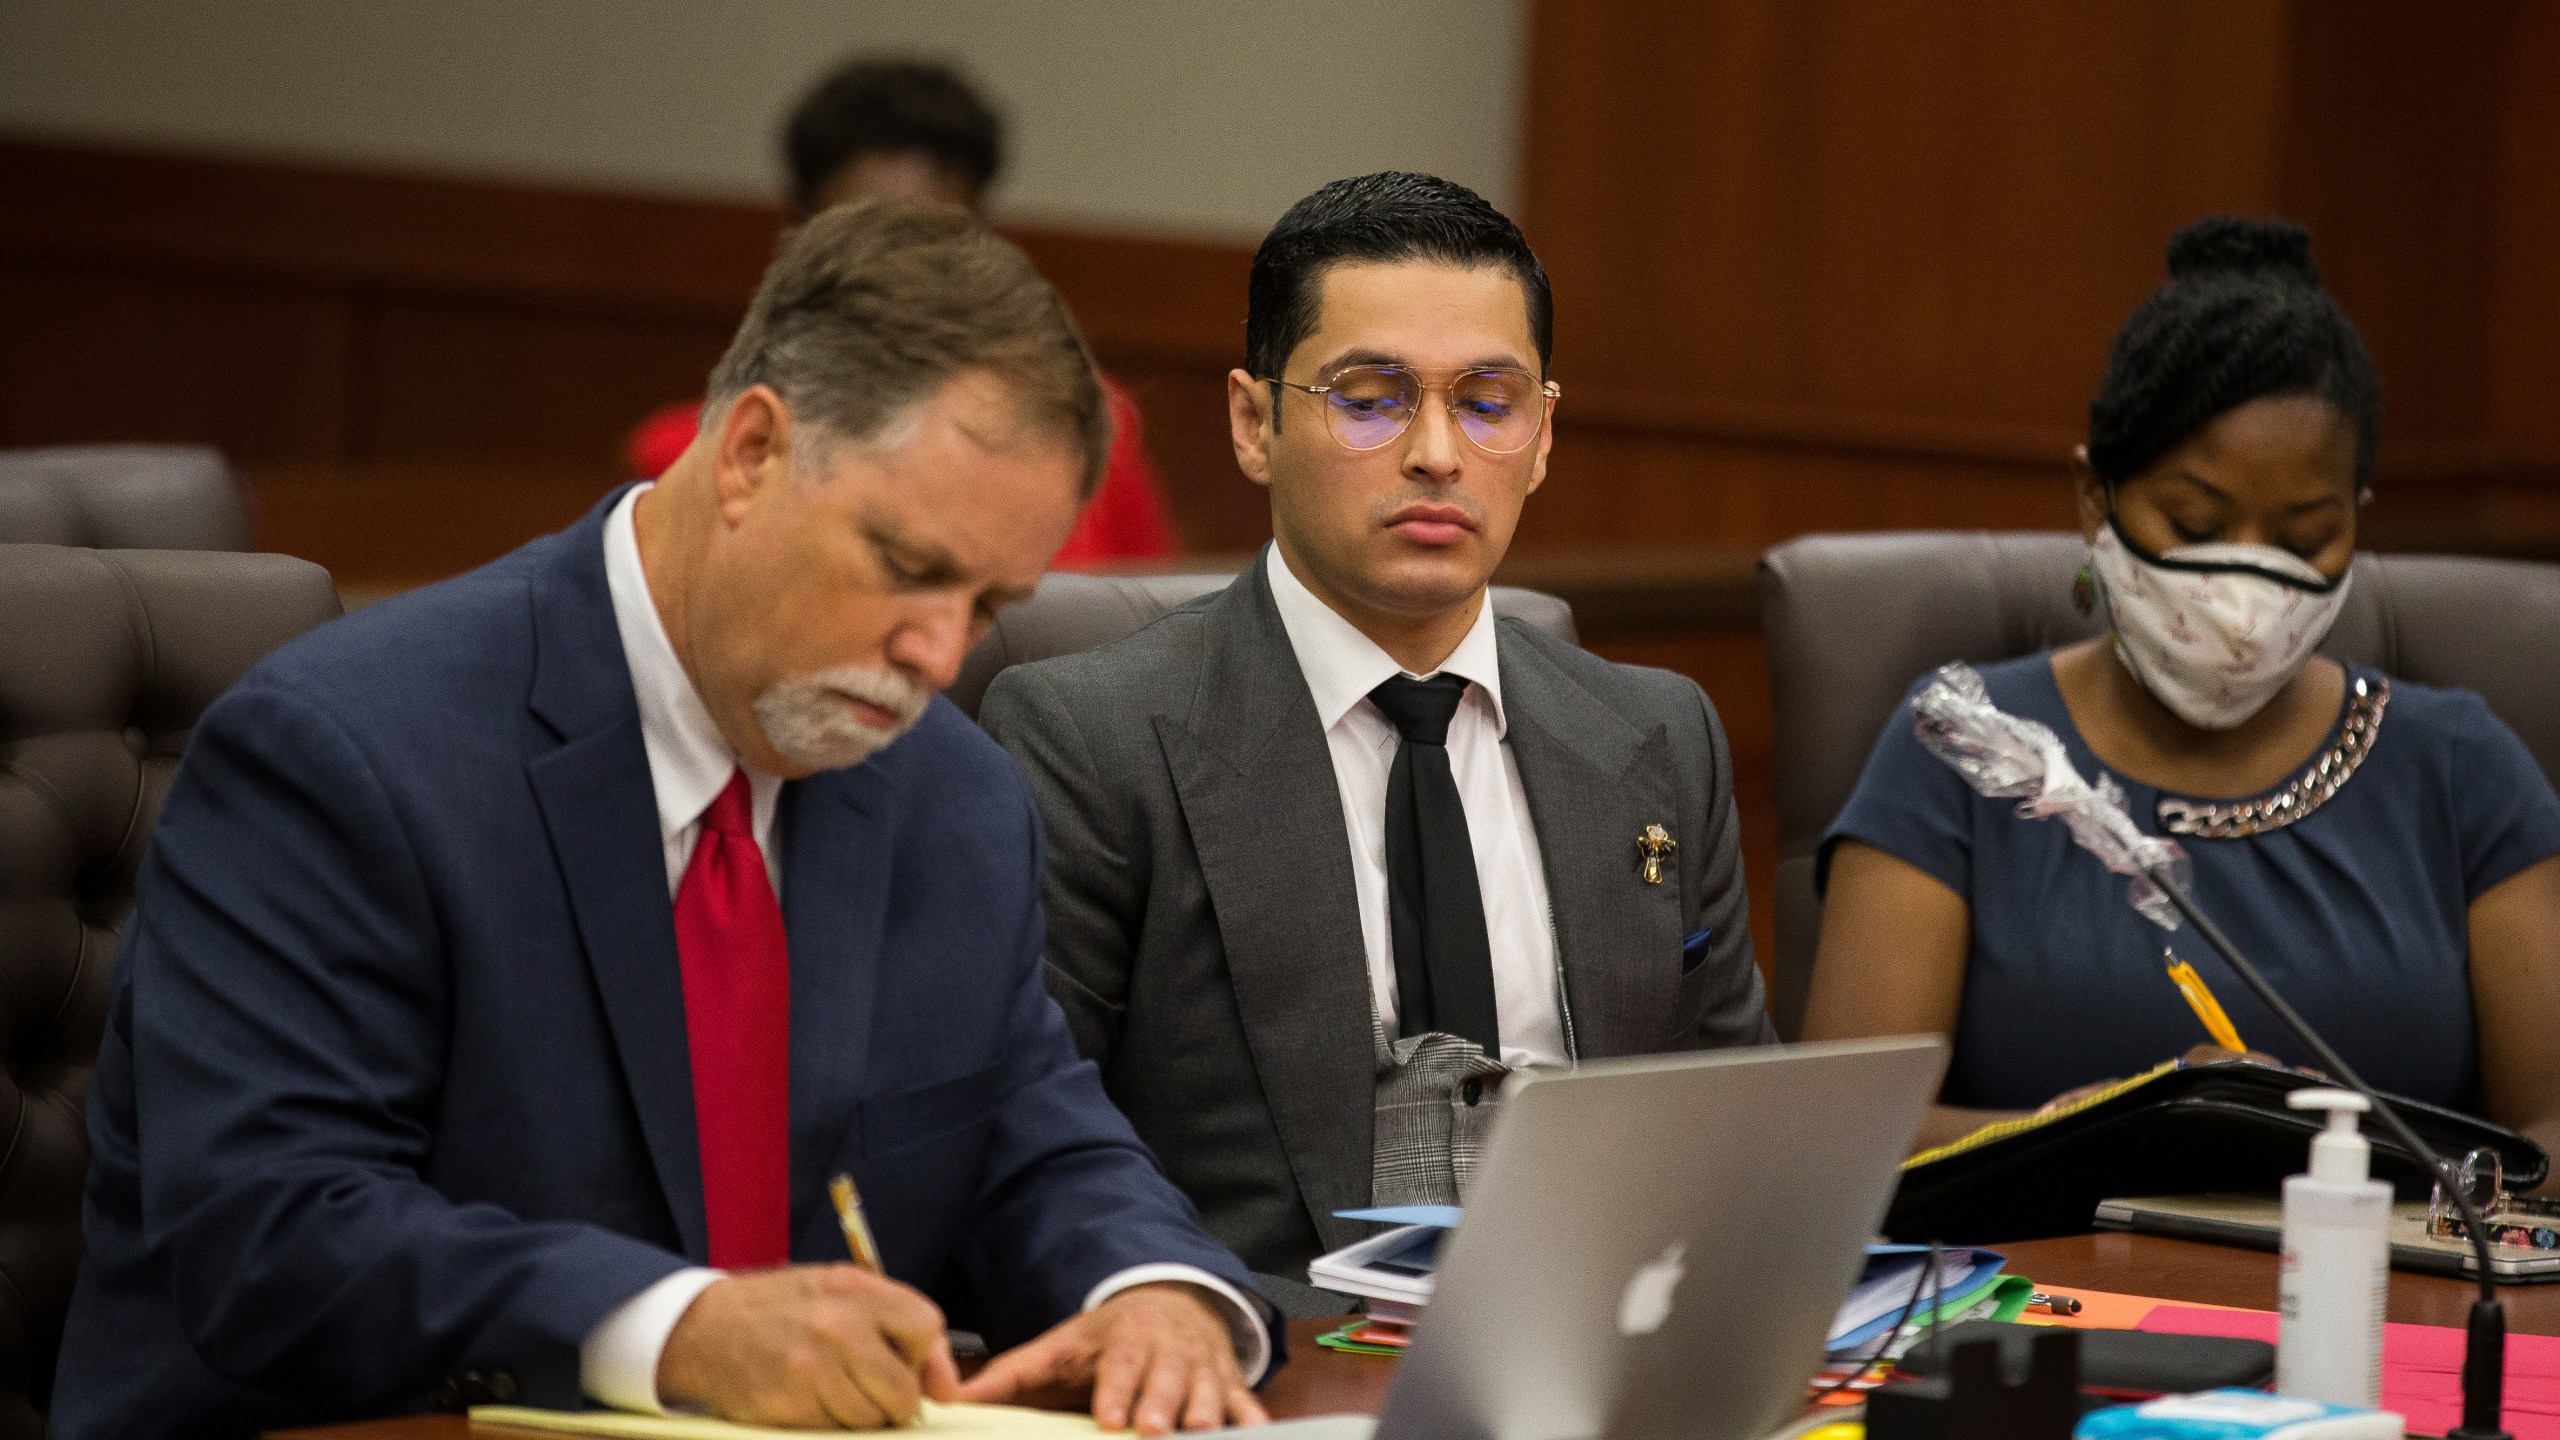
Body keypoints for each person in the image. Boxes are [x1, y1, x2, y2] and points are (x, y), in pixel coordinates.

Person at [55, 202, 1272, 1439]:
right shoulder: (344, 752)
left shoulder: (951, 798)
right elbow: (272, 1231)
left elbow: (1037, 1141)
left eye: (991, 601)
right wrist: (674, 1326)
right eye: (907, 569)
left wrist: (1154, 1293)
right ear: (748, 451)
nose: (940, 651)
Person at [978, 172, 1775, 1317]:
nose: (1438, 454)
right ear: (1256, 424)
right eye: (1371, 398)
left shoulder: (1656, 734)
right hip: (1274, 1363)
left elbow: (1731, 1118)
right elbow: (1026, 1140)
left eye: (1488, 402)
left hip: (1600, 1348)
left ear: (1543, 436)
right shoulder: (1089, 738)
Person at [1801, 216, 2560, 1162]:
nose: (2246, 594)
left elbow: (2552, 1138)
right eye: (2196, 521)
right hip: (2041, 1294)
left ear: (2360, 518)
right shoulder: (1962, 747)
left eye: (2304, 536)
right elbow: (1837, 1138)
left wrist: (2373, 1162)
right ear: (2095, 500)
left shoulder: (2462, 770)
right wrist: (2106, 1133)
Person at [626, 57, 1175, 568]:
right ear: (798, 237)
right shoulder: (694, 448)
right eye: (867, 237)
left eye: (932, 240)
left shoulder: (1092, 426)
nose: (903, 276)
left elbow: (1149, 632)